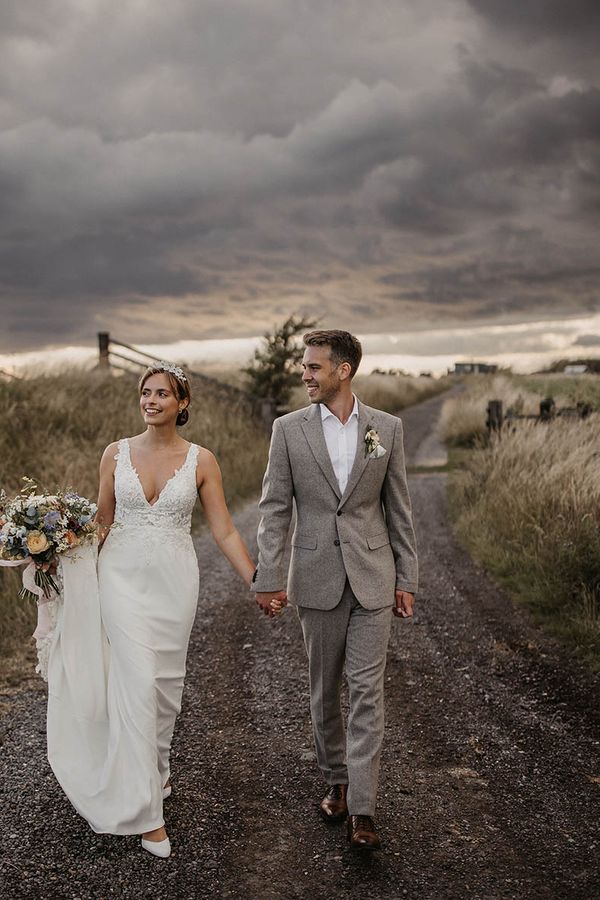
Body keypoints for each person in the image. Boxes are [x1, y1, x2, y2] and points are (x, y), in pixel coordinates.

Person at [46, 362, 256, 858]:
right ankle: (148, 815)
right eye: (146, 392)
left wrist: (256, 580)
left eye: (162, 393)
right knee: (137, 682)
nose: (151, 400)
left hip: (174, 583)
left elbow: (224, 529)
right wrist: (56, 557)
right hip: (119, 580)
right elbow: (101, 523)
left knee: (164, 687)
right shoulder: (114, 453)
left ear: (182, 403)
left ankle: (156, 770)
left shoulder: (202, 460)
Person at [252, 330, 418, 851]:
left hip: (373, 577)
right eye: (305, 366)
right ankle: (337, 781)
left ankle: (363, 810)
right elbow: (274, 508)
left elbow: (399, 507)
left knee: (368, 692)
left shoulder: (386, 428)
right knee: (325, 690)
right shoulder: (288, 430)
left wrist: (407, 577)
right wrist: (268, 577)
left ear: (343, 370)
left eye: (314, 366)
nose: (305, 374)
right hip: (316, 575)